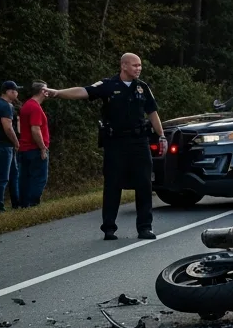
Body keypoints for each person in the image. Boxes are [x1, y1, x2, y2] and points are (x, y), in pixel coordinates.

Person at [45, 53, 165, 240]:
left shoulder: (143, 88)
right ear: (124, 66)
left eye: (140, 65)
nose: (138, 68)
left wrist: (161, 135)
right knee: (113, 184)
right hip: (115, 142)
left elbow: (152, 113)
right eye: (135, 65)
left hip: (139, 141)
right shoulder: (108, 85)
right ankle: (109, 228)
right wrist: (58, 93)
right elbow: (83, 91)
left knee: (144, 183)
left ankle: (145, 227)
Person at [0, 80, 22, 212]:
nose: (17, 93)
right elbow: (8, 128)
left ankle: (16, 202)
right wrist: (16, 142)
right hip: (1, 145)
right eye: (15, 91)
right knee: (2, 177)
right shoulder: (5, 106)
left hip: (2, 145)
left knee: (13, 174)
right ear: (9, 92)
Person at [18, 81, 50, 207]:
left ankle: (24, 203)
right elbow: (35, 129)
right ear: (42, 91)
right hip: (34, 148)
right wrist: (42, 148)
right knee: (39, 178)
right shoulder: (35, 107)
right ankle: (33, 203)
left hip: (24, 148)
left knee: (25, 177)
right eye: (47, 90)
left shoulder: (26, 105)